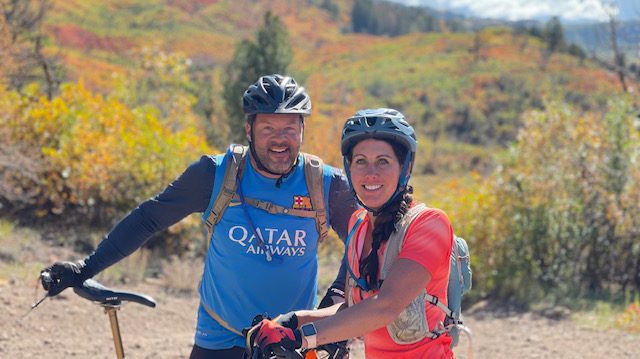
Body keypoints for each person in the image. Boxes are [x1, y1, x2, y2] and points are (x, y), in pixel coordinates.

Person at [40, 74, 358, 358]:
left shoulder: (325, 183)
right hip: (220, 337)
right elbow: (149, 218)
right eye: (268, 128)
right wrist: (84, 268)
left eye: (289, 128)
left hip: (289, 342)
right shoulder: (214, 174)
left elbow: (363, 240)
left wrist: (337, 298)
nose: (280, 138)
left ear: (302, 130)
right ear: (249, 129)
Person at [248, 108, 456, 358]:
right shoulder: (358, 226)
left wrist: (300, 338)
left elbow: (385, 307)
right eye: (360, 161)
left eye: (383, 161)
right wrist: (293, 321)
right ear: (349, 168)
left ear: (404, 167)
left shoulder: (429, 224)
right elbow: (355, 311)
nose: (371, 173)